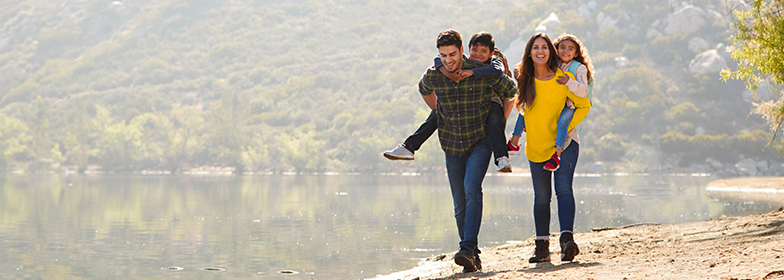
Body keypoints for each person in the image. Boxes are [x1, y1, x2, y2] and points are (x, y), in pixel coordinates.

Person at [418, 29, 517, 272]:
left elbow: (511, 90)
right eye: (443, 55)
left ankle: (467, 248)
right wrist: (438, 111)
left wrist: (501, 119)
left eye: (452, 54)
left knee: (472, 188)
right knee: (459, 203)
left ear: (462, 51)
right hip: (451, 143)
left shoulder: (480, 70)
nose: (448, 60)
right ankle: (472, 254)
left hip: (479, 141)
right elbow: (423, 88)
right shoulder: (435, 74)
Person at [382, 32, 516, 173]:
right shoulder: (457, 62)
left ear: (491, 53)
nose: (478, 54)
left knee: (495, 120)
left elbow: (498, 72)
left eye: (483, 51)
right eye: (475, 50)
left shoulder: (495, 60)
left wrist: (473, 72)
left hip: (491, 99)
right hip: (469, 105)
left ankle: (502, 157)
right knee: (436, 115)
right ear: (467, 49)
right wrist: (441, 107)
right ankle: (408, 147)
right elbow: (437, 61)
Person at [513, 33, 591, 263]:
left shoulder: (563, 78)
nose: (540, 51)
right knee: (541, 197)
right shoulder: (526, 81)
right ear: (529, 52)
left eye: (544, 47)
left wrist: (566, 128)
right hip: (536, 146)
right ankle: (541, 247)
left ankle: (567, 242)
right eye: (535, 47)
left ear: (551, 52)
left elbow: (584, 106)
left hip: (565, 144)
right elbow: (523, 111)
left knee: (563, 189)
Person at [507, 33, 594, 172]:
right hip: (538, 143)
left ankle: (557, 154)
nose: (566, 51)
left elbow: (584, 94)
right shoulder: (556, 64)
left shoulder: (578, 68)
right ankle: (514, 142)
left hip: (570, 104)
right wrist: (519, 72)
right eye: (562, 48)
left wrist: (569, 82)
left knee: (563, 123)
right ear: (556, 50)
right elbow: (530, 64)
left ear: (576, 52)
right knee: (523, 109)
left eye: (570, 49)